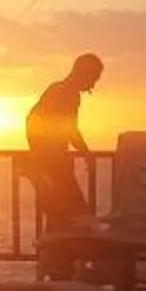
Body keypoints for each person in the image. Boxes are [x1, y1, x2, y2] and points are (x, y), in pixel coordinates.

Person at [23, 53, 103, 229]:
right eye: (94, 79)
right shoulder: (68, 94)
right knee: (76, 215)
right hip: (52, 166)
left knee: (59, 217)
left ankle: (58, 254)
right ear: (85, 74)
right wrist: (86, 153)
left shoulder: (56, 89)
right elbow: (70, 129)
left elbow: (31, 122)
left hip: (47, 165)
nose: (92, 86)